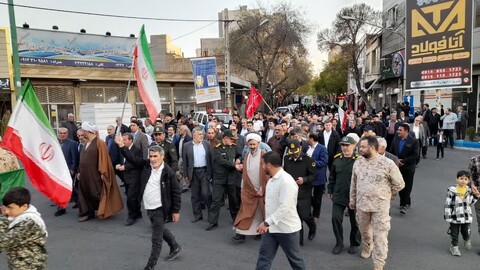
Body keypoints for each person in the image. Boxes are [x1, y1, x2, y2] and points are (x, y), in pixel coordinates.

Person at [115, 136, 182, 269]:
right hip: (149, 207)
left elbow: (176, 192)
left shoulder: (168, 172)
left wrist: (176, 211)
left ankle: (150, 266)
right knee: (160, 229)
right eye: (151, 156)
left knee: (156, 239)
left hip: (160, 208)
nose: (153, 159)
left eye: (155, 156)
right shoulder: (146, 165)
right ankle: (175, 246)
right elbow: (132, 158)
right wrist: (122, 146)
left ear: (162, 157)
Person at [350, 136, 404, 270]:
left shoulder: (387, 163)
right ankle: (368, 244)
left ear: (372, 148)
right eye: (359, 147)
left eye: (362, 147)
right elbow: (354, 182)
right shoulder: (358, 162)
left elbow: (399, 184)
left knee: (380, 236)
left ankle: (379, 264)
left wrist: (386, 193)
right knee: (364, 230)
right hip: (362, 205)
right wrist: (352, 199)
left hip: (380, 207)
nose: (359, 149)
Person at [255, 151, 306, 270]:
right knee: (264, 259)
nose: (261, 167)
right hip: (271, 228)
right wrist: (268, 223)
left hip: (287, 229)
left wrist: (267, 222)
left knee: (296, 261)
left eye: (263, 164)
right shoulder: (273, 179)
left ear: (269, 165)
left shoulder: (286, 181)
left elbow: (285, 207)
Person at [77, 122, 124, 222]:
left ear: (88, 131)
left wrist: (103, 173)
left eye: (83, 131)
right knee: (85, 193)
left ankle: (105, 209)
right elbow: (82, 158)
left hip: (95, 174)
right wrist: (79, 172)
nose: (82, 133)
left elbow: (104, 159)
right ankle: (88, 213)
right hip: (85, 174)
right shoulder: (86, 143)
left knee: (96, 193)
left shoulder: (100, 142)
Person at [233, 133, 269, 243]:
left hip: (260, 190)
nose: (252, 146)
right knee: (245, 211)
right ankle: (240, 234)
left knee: (259, 214)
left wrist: (263, 189)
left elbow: (267, 173)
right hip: (248, 190)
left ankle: (259, 232)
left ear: (259, 144)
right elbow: (246, 171)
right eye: (250, 144)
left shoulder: (263, 155)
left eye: (254, 144)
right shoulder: (247, 155)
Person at [327, 136, 361, 255]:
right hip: (339, 194)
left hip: (354, 196)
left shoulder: (359, 161)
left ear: (354, 146)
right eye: (343, 145)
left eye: (347, 145)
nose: (345, 148)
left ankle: (354, 243)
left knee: (355, 221)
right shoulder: (337, 159)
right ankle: (339, 243)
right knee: (335, 218)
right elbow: (332, 177)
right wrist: (330, 190)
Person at [0, 187, 48, 269]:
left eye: (10, 208)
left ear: (24, 206)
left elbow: (4, 241)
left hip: (29, 266)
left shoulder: (29, 223)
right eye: (5, 207)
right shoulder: (17, 216)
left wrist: (3, 217)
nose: (7, 211)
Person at [283, 140, 317, 246]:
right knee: (297, 217)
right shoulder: (287, 159)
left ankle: (312, 227)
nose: (294, 153)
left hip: (304, 192)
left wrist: (304, 179)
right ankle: (299, 240)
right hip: (291, 193)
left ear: (301, 148)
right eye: (291, 151)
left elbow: (314, 176)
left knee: (306, 215)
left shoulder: (308, 160)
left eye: (295, 151)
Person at [207, 129, 242, 230]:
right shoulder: (217, 149)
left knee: (233, 200)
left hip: (231, 178)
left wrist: (239, 159)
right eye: (231, 139)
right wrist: (235, 166)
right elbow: (222, 161)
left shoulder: (234, 147)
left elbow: (239, 154)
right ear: (225, 138)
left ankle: (235, 219)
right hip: (219, 178)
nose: (233, 141)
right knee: (216, 200)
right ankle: (213, 221)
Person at [444, 170, 479, 256]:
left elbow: (471, 202)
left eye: (465, 179)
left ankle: (466, 239)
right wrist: (448, 216)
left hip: (466, 217)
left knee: (465, 231)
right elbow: (447, 204)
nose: (463, 181)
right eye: (461, 178)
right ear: (457, 179)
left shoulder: (469, 190)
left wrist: (477, 195)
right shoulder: (452, 191)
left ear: (468, 181)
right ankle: (454, 247)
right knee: (454, 233)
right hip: (454, 217)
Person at [182, 127, 213, 223]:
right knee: (195, 195)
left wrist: (211, 174)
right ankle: (197, 215)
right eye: (199, 134)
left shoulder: (207, 144)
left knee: (205, 193)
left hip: (204, 171)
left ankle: (211, 214)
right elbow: (185, 161)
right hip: (193, 172)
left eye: (202, 134)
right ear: (194, 135)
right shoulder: (187, 146)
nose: (202, 136)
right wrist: (185, 175)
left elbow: (211, 160)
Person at [390, 123, 419, 215]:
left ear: (406, 131)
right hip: (397, 166)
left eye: (400, 130)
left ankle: (403, 205)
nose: (398, 131)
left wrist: (404, 161)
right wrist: (396, 160)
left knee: (407, 185)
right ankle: (406, 201)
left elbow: (415, 154)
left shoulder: (414, 141)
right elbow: (391, 151)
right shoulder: (396, 140)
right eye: (398, 130)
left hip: (408, 167)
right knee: (399, 184)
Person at [116, 133, 143, 226]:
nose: (122, 142)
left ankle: (131, 216)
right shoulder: (122, 149)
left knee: (131, 197)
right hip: (125, 177)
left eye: (124, 140)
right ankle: (138, 213)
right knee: (131, 196)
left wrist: (125, 167)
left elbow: (137, 163)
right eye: (122, 140)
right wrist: (119, 165)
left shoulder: (137, 150)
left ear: (130, 140)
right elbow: (122, 160)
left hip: (134, 177)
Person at [54, 128, 79, 217]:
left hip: (68, 170)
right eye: (60, 133)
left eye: (64, 133)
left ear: (67, 134)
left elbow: (75, 159)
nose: (62, 135)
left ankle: (62, 208)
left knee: (66, 188)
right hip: (57, 170)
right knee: (65, 188)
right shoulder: (54, 143)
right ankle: (77, 199)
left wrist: (72, 169)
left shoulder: (73, 144)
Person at [306, 132, 328, 224]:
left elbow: (324, 162)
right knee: (307, 195)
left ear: (311, 138)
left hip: (318, 177)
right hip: (308, 176)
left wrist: (312, 163)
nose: (306, 140)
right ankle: (311, 209)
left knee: (317, 198)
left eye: (307, 138)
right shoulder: (308, 148)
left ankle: (316, 215)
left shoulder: (322, 148)